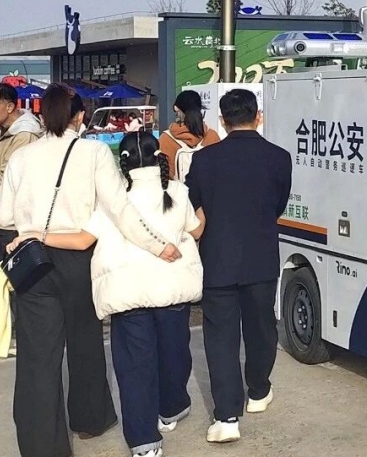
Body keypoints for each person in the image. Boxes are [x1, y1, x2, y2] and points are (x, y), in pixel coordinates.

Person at [0, 84, 184, 457]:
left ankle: (40, 446)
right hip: (78, 257)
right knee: (85, 344)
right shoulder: (94, 152)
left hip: (32, 259)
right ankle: (90, 419)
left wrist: (31, 226)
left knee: (37, 359)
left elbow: (3, 215)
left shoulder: (22, 156)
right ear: (80, 116)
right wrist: (157, 245)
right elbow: (120, 211)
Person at [84, 131, 204, 457]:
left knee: (135, 368)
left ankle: (144, 442)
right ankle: (172, 407)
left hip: (128, 294)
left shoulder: (109, 202)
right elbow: (196, 229)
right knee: (174, 355)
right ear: (156, 157)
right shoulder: (177, 191)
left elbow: (85, 238)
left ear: (121, 163)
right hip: (172, 291)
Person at [185, 88, 291, 443]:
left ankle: (227, 416)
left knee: (220, 339)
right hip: (261, 257)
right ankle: (259, 391)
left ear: (223, 121)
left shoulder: (204, 160)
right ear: (258, 116)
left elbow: (193, 204)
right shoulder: (279, 158)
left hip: (218, 259)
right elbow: (278, 205)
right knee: (262, 329)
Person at [0, 83, 43, 265]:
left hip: (10, 224)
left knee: (6, 279)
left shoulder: (24, 135)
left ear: (10, 106)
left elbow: (9, 181)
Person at [159, 89, 220, 181]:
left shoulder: (166, 138)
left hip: (178, 193)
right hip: (207, 192)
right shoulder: (212, 135)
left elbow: (164, 172)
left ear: (176, 108)